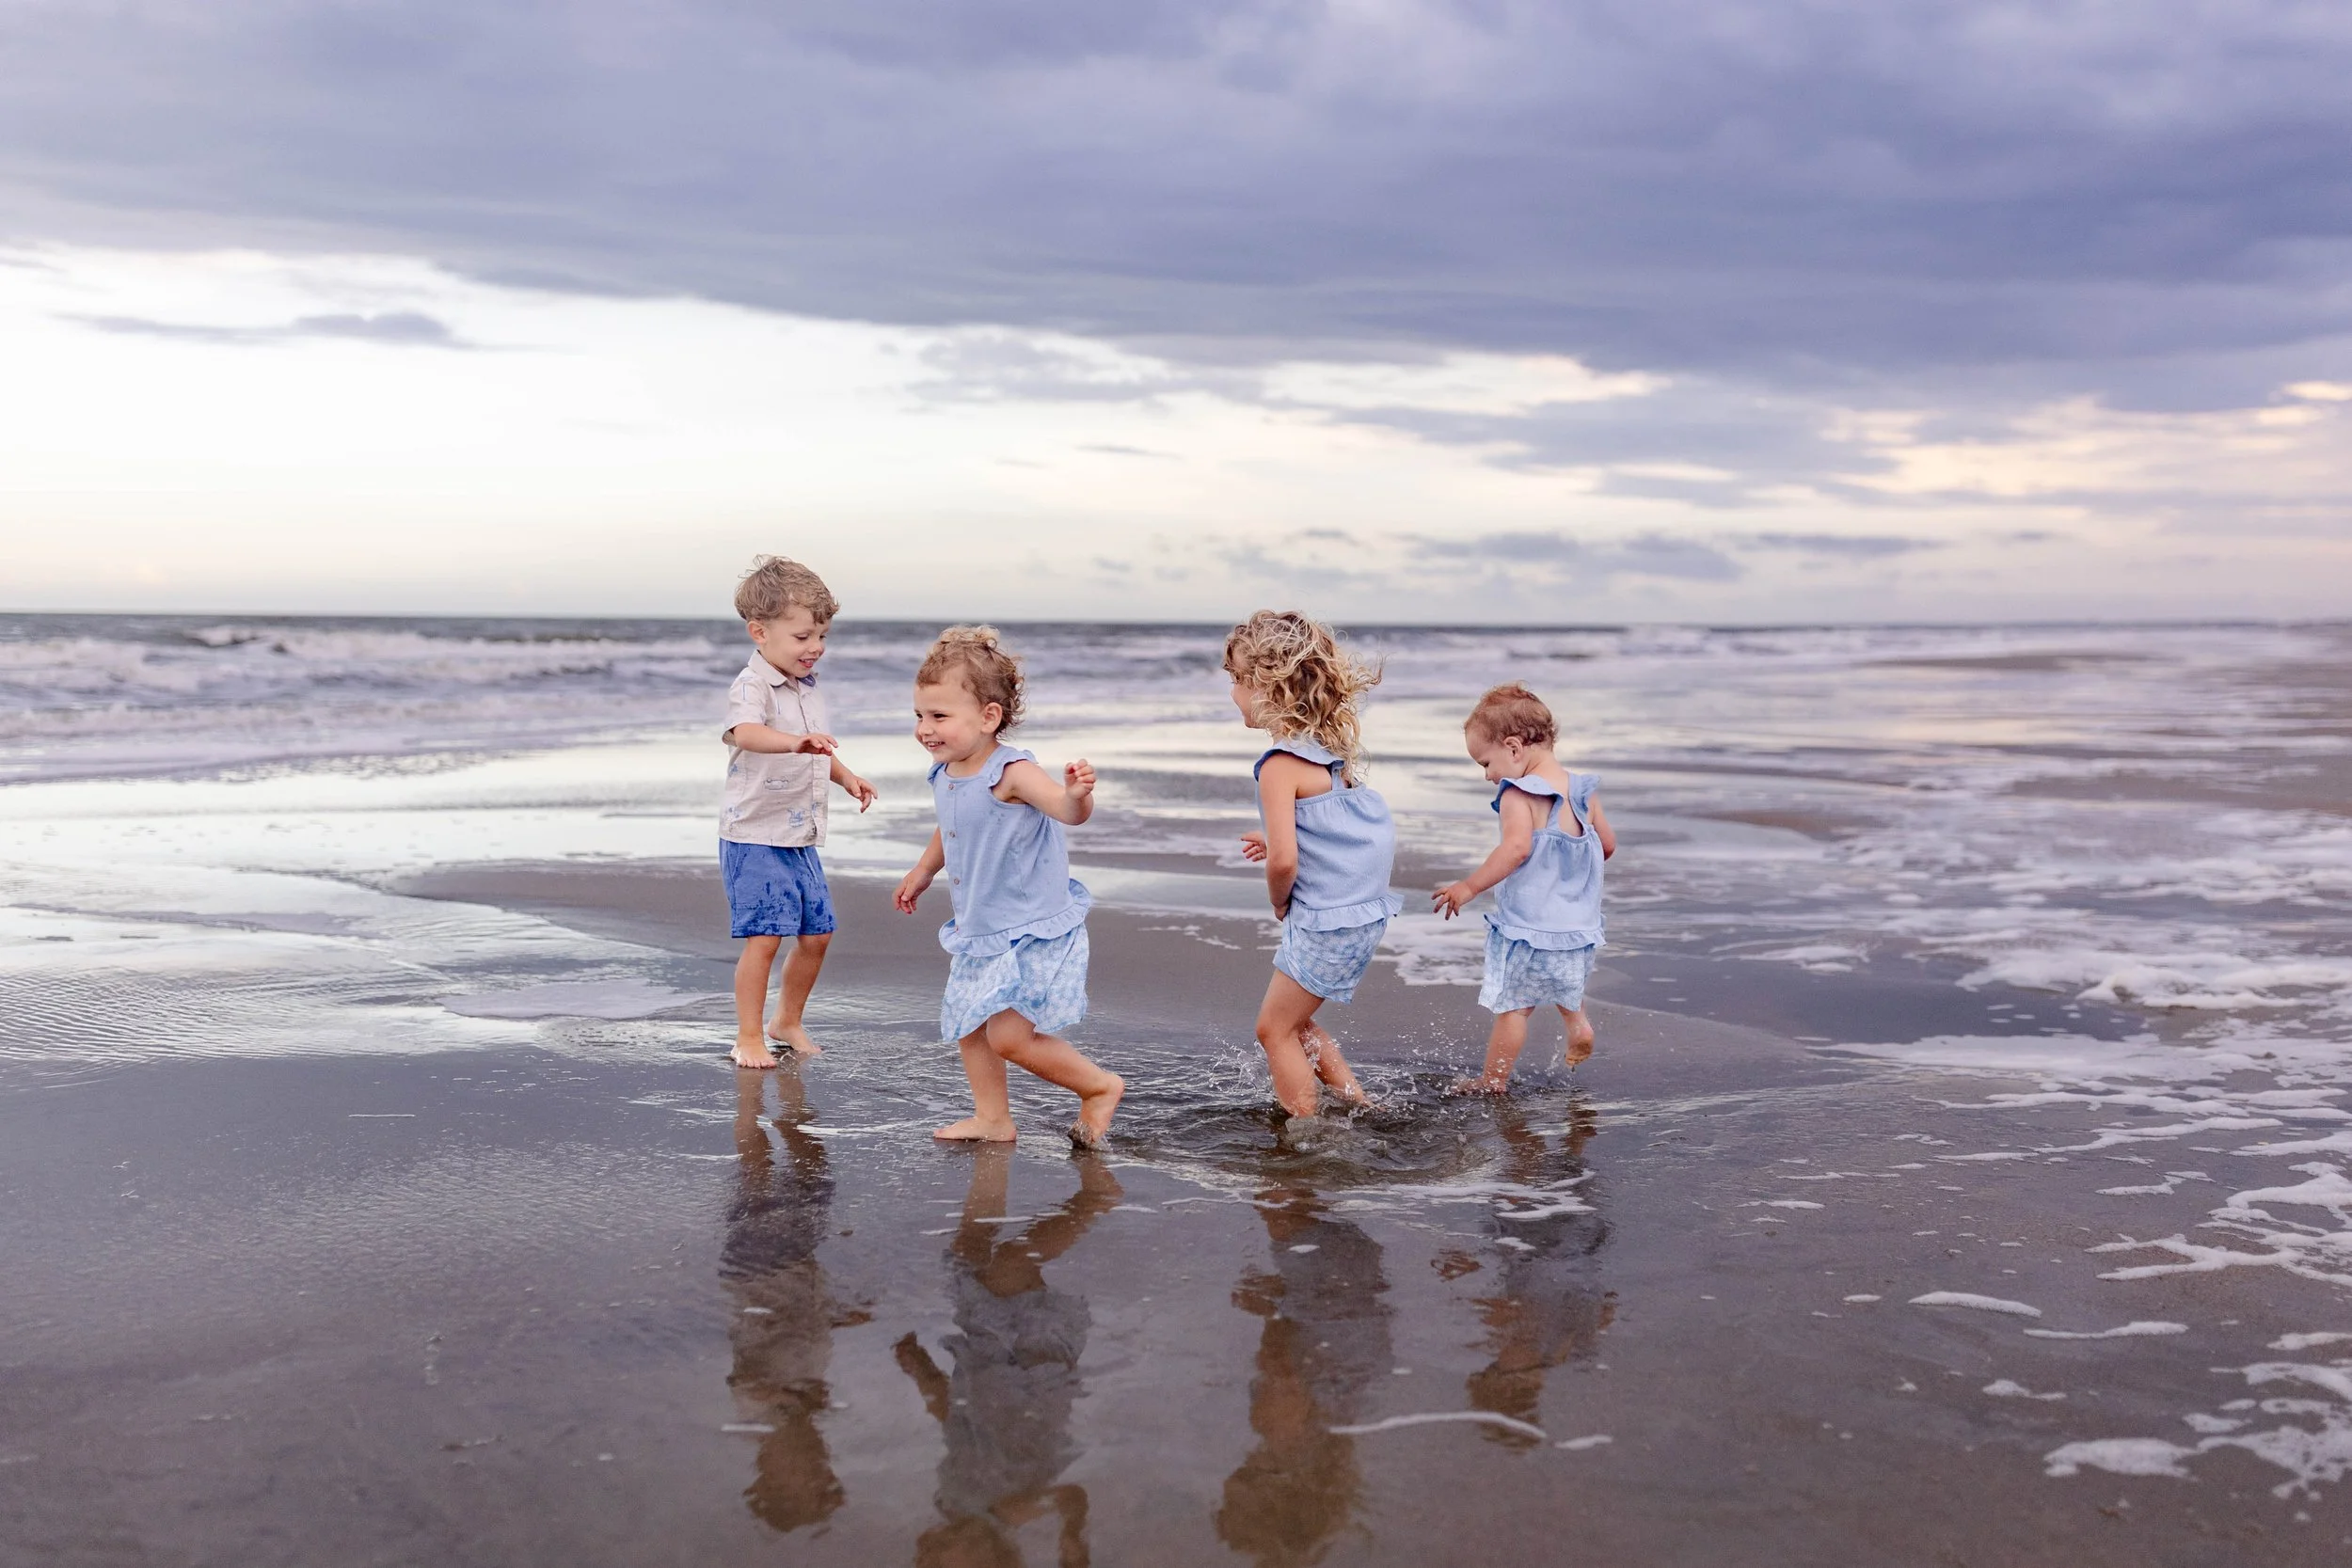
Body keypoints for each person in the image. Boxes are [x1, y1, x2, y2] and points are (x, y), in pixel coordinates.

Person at [894, 626, 1124, 1147]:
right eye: (919, 715)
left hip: (1028, 930)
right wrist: (924, 871)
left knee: (1009, 1037)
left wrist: (1077, 794)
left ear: (989, 717)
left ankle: (1098, 1086)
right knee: (971, 1026)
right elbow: (951, 824)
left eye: (939, 716)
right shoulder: (947, 771)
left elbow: (1066, 811)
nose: (924, 729)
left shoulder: (1012, 771)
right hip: (982, 925)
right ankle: (993, 1119)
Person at [1225, 610, 1401, 1118]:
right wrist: (1281, 839)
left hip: (1326, 923)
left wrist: (1278, 900)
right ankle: (1360, 1106)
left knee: (1273, 1030)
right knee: (1297, 1024)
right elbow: (1335, 827)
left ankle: (1308, 1130)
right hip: (1358, 916)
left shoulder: (1278, 766)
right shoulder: (1328, 753)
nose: (1232, 693)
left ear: (1268, 686)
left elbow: (1284, 863)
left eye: (1237, 680)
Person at [720, 555, 877, 1069]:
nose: (816, 647)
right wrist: (793, 742)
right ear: (759, 632)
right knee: (764, 938)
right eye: (804, 636)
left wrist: (845, 775)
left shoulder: (807, 688)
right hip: (755, 834)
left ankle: (786, 1020)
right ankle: (748, 1036)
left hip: (799, 835)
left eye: (822, 636)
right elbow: (747, 733)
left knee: (817, 933)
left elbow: (815, 748)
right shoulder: (752, 686)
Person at [1433, 682, 1615, 1091]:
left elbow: (1515, 849)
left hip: (1530, 924)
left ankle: (1492, 1080)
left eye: (1486, 763)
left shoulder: (1519, 794)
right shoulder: (1583, 791)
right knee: (1564, 979)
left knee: (1514, 1007)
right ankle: (1579, 1026)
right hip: (1578, 923)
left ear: (1514, 748)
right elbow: (1606, 845)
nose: (1487, 775)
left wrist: (1469, 886)